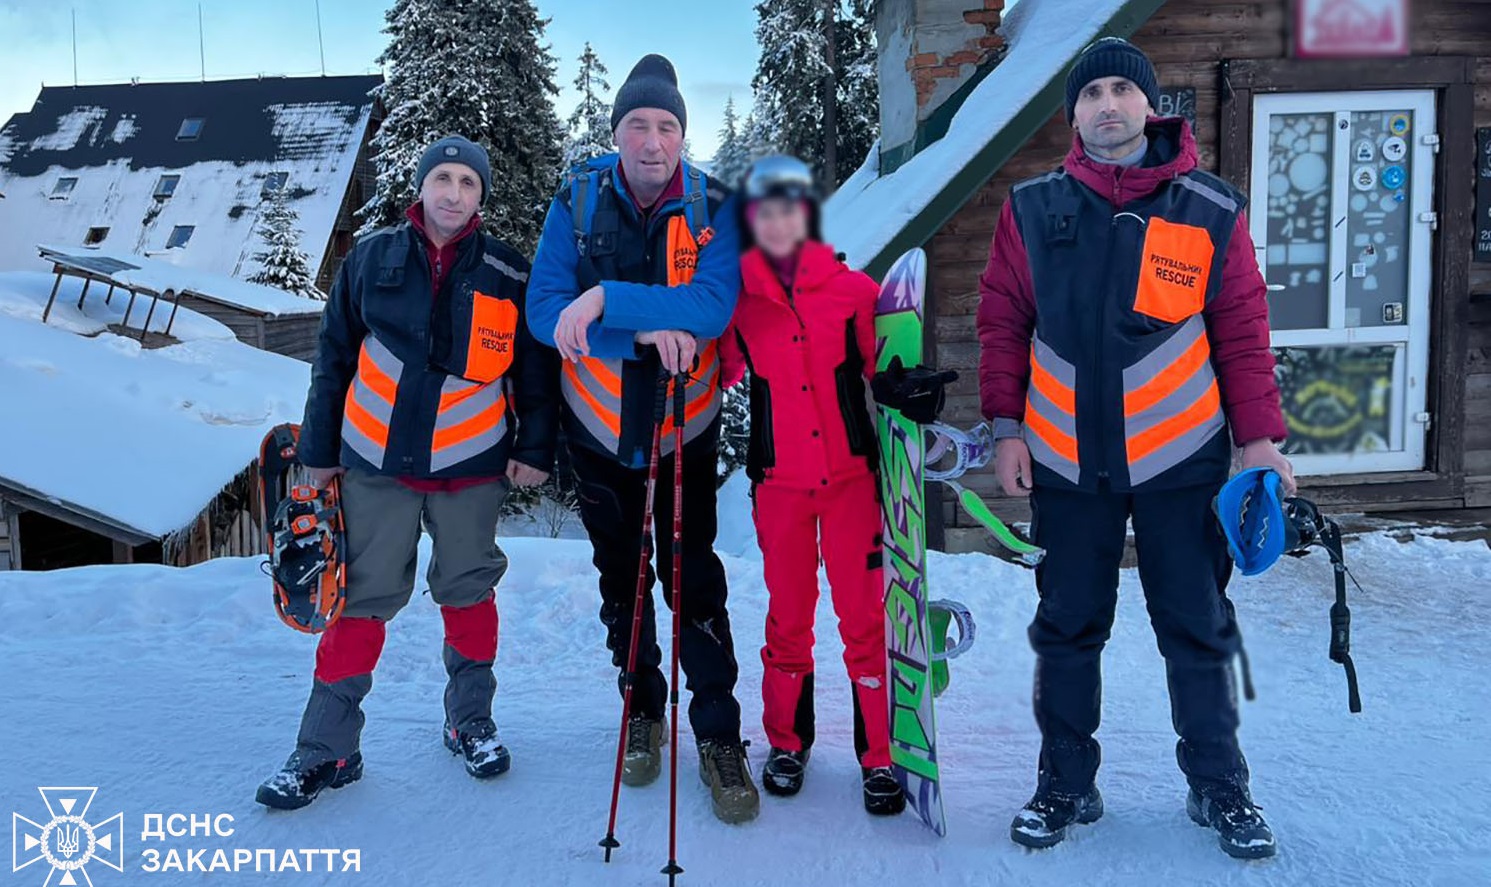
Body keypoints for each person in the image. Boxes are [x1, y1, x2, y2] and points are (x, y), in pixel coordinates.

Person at [977, 37, 1295, 859]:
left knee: (1196, 626)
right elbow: (1001, 324)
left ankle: (1218, 782)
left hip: (1180, 463)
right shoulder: (1030, 209)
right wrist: (1006, 427)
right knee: (1067, 627)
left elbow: (1243, 334)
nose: (1106, 105)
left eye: (1122, 89)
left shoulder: (1208, 208)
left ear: (1149, 105)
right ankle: (1065, 781)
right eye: (1090, 94)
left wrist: (1259, 442)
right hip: (1065, 463)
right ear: (1072, 113)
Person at [256, 135, 560, 810]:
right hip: (373, 464)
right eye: (442, 178)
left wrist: (535, 447)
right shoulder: (369, 258)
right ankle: (325, 747)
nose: (453, 192)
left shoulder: (509, 273)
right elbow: (332, 356)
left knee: (468, 589)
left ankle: (470, 722)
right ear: (420, 187)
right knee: (358, 597)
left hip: (470, 466)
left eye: (468, 182)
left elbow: (535, 372)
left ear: (482, 195)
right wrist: (318, 448)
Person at [526, 54, 759, 824]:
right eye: (637, 124)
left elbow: (715, 304)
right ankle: (643, 709)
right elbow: (542, 310)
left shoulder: (712, 204)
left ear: (681, 135)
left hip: (682, 428)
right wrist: (642, 328)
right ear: (616, 131)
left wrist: (602, 300)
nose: (652, 140)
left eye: (666, 126)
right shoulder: (578, 196)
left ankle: (719, 734)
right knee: (620, 579)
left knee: (695, 580)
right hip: (595, 431)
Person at [717, 154, 906, 817]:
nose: (776, 222)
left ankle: (879, 755)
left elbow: (883, 369)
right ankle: (787, 743)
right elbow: (717, 374)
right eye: (763, 212)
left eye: (787, 210)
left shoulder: (854, 291)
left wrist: (905, 388)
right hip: (778, 488)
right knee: (788, 620)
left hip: (853, 483)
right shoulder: (739, 300)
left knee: (863, 619)